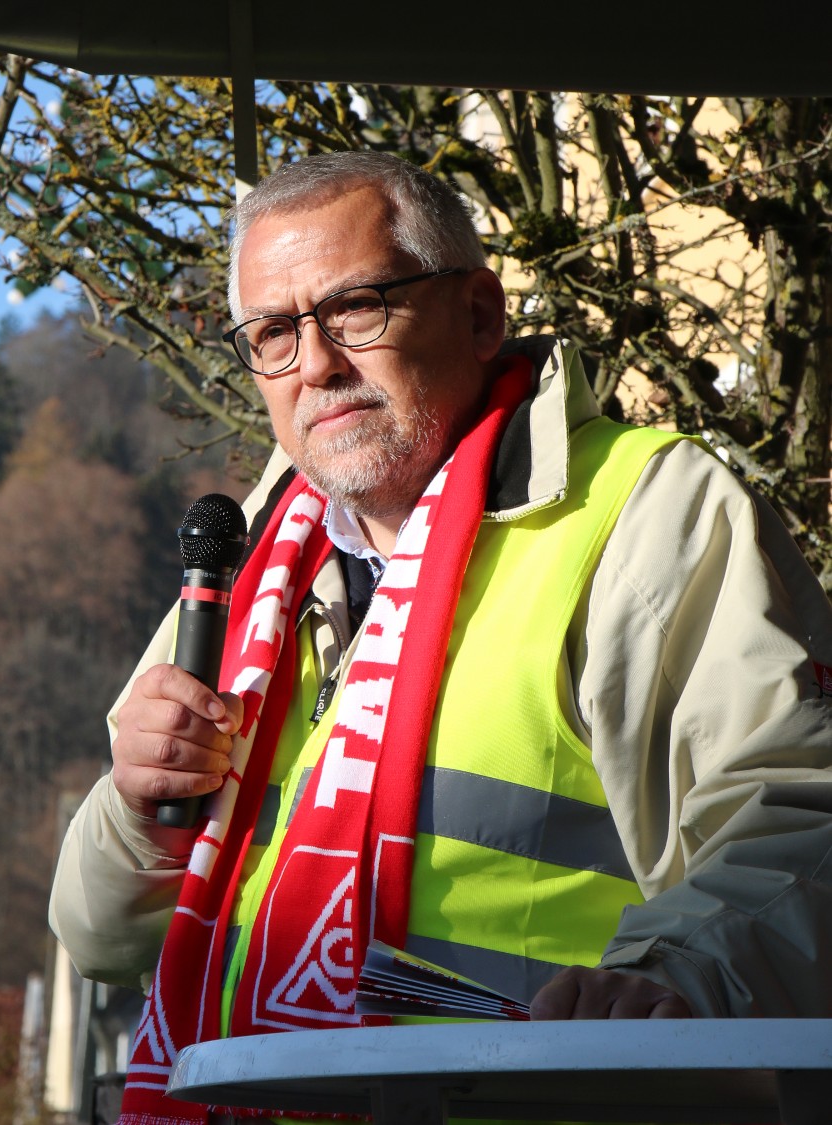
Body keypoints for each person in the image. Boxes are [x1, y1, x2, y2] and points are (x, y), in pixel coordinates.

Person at [50, 151, 832, 1124]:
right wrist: (135, 809)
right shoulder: (244, 579)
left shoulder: (648, 510)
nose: (318, 364)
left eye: (357, 309)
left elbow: (794, 823)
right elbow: (100, 941)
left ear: (478, 313)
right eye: (274, 334)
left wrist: (662, 988)